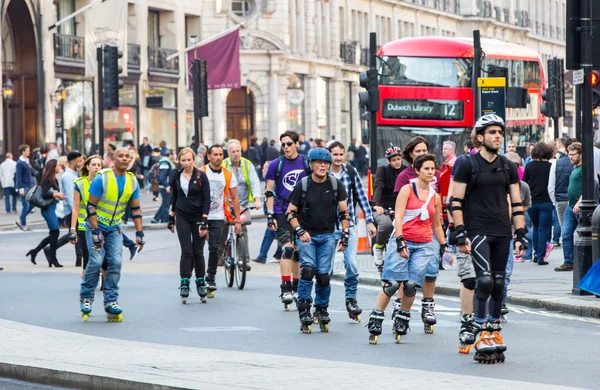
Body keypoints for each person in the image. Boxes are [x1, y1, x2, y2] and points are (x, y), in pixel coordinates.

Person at [450, 114, 527, 363]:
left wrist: (521, 234)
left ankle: (494, 331)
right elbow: (455, 201)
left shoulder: (508, 166)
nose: (498, 136)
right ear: (480, 137)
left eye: (500, 132)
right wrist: (460, 232)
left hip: (502, 230)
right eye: (492, 132)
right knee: (483, 281)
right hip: (477, 229)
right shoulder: (466, 163)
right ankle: (481, 331)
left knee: (498, 283)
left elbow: (517, 203)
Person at [367, 154, 447, 345]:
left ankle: (402, 317)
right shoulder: (406, 189)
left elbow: (436, 225)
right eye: (425, 168)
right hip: (403, 240)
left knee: (411, 285)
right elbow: (399, 217)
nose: (430, 172)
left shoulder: (434, 197)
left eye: (432, 169)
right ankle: (377, 317)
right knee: (392, 284)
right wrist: (400, 241)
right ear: (417, 171)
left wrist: (444, 245)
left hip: (425, 244)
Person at [287, 148, 350, 333]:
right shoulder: (303, 185)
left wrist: (345, 234)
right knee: (307, 270)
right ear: (311, 164)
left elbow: (344, 212)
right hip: (307, 235)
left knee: (323, 275)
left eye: (326, 163)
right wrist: (299, 230)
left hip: (328, 235)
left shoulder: (336, 185)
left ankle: (321, 309)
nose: (323, 166)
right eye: (318, 163)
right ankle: (305, 307)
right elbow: (290, 212)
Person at [79, 147, 145, 322]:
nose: (124, 159)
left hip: (115, 228)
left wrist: (140, 233)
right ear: (112, 159)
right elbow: (90, 206)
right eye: (120, 156)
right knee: (96, 260)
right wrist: (95, 231)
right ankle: (86, 296)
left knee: (115, 262)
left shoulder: (132, 181)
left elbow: (136, 209)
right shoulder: (103, 178)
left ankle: (111, 301)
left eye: (127, 157)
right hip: (95, 225)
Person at [393, 136, 442, 333]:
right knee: (406, 275)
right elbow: (401, 209)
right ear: (411, 155)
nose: (422, 154)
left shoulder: (436, 174)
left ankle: (428, 306)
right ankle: (400, 306)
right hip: (409, 231)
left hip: (431, 229)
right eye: (418, 151)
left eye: (424, 150)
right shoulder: (405, 176)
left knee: (431, 271)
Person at [327, 141, 376, 321]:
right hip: (327, 229)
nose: (339, 158)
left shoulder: (350, 172)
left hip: (349, 227)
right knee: (326, 269)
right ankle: (321, 304)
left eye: (341, 154)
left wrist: (370, 222)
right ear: (328, 155)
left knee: (352, 265)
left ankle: (351, 300)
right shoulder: (323, 173)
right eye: (335, 154)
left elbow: (362, 198)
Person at [265, 131, 311, 310]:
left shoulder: (306, 163)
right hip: (282, 210)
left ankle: (297, 286)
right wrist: (270, 215)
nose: (285, 148)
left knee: (299, 252)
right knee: (288, 249)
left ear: (296, 144)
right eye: (283, 144)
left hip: (302, 211)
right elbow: (269, 192)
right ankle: (285, 288)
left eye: (289, 144)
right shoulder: (276, 165)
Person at [169, 147, 211, 303]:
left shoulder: (201, 176)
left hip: (198, 217)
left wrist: (204, 222)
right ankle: (184, 282)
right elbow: (174, 197)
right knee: (186, 251)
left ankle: (201, 281)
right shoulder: (176, 175)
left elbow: (207, 199)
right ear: (179, 161)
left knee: (198, 251)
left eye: (189, 160)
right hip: (182, 217)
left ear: (193, 160)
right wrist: (171, 218)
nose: (186, 163)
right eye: (183, 160)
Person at [200, 145, 242, 295]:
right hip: (202, 216)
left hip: (218, 216)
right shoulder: (202, 172)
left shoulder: (228, 174)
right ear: (209, 156)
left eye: (220, 154)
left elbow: (235, 198)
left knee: (214, 248)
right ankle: (199, 278)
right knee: (198, 249)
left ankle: (210, 277)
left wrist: (237, 220)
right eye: (215, 154)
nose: (218, 157)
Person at [221, 139, 262, 272]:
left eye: (238, 151)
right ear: (228, 153)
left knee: (243, 229)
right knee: (222, 228)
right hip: (226, 204)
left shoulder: (247, 164)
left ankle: (244, 259)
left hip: (243, 204)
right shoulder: (224, 164)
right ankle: (222, 254)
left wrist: (257, 200)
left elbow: (255, 182)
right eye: (233, 152)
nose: (236, 154)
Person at [502, 152, 531, 319]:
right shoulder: (493, 184)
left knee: (505, 272)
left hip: (509, 232)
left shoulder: (523, 187)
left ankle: (501, 302)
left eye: (516, 165)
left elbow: (526, 205)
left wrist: (520, 236)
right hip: (489, 232)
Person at [26, 160, 67, 267]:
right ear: (53, 167)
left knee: (53, 234)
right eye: (58, 165)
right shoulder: (48, 180)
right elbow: (44, 194)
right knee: (55, 232)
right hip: (47, 209)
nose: (60, 167)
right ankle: (53, 258)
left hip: (51, 208)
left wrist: (58, 196)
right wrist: (56, 194)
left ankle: (35, 251)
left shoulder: (54, 180)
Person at [69, 155, 103, 277]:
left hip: (101, 222)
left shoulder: (105, 181)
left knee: (104, 252)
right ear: (87, 166)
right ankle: (86, 272)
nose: (97, 167)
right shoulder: (79, 183)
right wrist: (72, 229)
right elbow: (76, 207)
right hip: (84, 223)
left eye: (99, 165)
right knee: (87, 254)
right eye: (93, 165)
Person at [372, 145, 405, 269]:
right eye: (393, 160)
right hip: (383, 206)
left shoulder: (406, 170)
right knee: (386, 225)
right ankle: (379, 247)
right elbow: (378, 187)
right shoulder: (383, 170)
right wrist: (377, 205)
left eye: (398, 159)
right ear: (389, 161)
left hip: (401, 207)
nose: (396, 162)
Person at [523, 142, 554, 265]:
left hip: (533, 201)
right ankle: (541, 256)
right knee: (543, 228)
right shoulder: (550, 166)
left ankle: (536, 254)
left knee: (535, 227)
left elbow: (524, 183)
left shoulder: (529, 166)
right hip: (546, 201)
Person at [50, 151, 83, 266]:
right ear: (73, 161)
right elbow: (70, 196)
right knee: (75, 233)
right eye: (80, 160)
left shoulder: (74, 174)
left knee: (76, 233)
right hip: (72, 210)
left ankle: (79, 259)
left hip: (74, 209)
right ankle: (79, 259)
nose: (81, 162)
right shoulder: (68, 176)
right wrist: (75, 210)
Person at [554, 142, 583, 272]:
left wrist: (579, 203)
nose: (570, 157)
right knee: (565, 234)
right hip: (570, 206)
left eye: (573, 154)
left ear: (581, 154)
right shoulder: (574, 168)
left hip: (580, 207)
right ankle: (568, 261)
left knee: (584, 235)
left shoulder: (585, 169)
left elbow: (590, 187)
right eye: (569, 154)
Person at [253, 161, 283, 264]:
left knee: (279, 235)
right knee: (272, 235)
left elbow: (274, 198)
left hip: (276, 214)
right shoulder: (268, 182)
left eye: (265, 168)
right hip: (273, 214)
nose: (263, 170)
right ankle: (264, 256)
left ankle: (266, 256)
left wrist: (272, 214)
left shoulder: (273, 183)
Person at [548, 138, 575, 238]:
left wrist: (555, 201)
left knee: (565, 230)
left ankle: (568, 252)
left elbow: (551, 186)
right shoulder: (580, 164)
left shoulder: (557, 163)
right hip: (575, 200)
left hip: (561, 200)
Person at [151, 150, 176, 224]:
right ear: (170, 155)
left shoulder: (165, 162)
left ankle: (156, 218)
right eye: (174, 154)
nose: (174, 156)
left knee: (165, 203)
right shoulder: (165, 163)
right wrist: (167, 185)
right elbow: (162, 177)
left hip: (164, 186)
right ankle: (165, 220)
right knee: (166, 203)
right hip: (164, 187)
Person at [15, 144, 34, 231]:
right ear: (23, 152)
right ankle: (23, 224)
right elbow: (18, 176)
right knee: (25, 206)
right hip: (24, 187)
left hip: (29, 187)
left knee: (32, 205)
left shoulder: (27, 161)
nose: (29, 152)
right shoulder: (19, 163)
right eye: (27, 150)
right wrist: (20, 188)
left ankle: (20, 220)